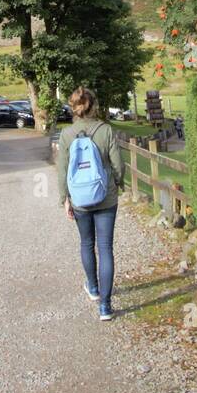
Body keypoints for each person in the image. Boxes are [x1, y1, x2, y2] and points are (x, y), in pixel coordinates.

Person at [57, 87, 124, 321]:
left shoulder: (66, 135)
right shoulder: (106, 131)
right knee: (105, 248)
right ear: (94, 106)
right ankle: (105, 306)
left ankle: (93, 289)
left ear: (73, 107)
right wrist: (118, 184)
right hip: (106, 197)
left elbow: (63, 171)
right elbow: (118, 165)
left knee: (87, 243)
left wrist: (64, 199)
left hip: (79, 200)